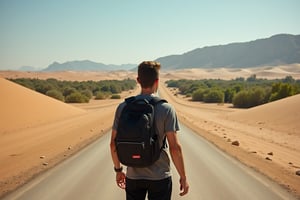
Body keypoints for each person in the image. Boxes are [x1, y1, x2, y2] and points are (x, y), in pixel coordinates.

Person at [110, 61, 189, 200]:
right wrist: (183, 177)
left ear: (138, 81)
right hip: (160, 177)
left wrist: (118, 170)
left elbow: (112, 144)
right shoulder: (166, 109)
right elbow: (175, 148)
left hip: (133, 177)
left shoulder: (123, 107)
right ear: (157, 81)